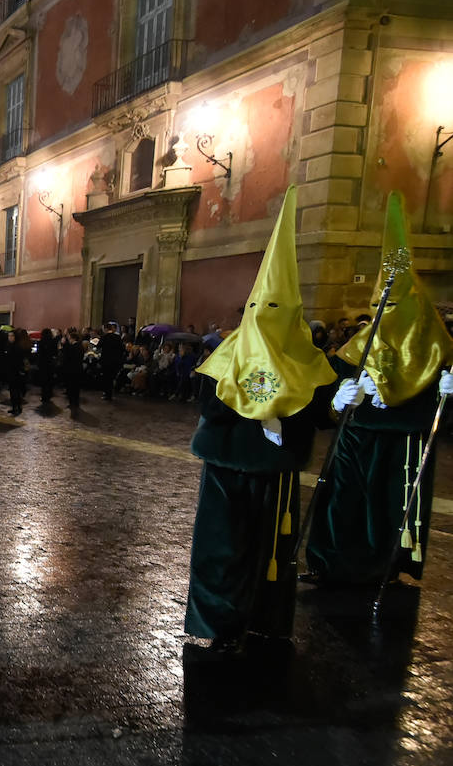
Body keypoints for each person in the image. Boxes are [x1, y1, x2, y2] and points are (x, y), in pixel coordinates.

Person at [185, 186, 336, 655]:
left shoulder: (307, 357)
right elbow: (210, 407)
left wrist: (334, 403)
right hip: (228, 467)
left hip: (277, 472)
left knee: (273, 550)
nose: (264, 319)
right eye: (258, 309)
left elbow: (318, 409)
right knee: (222, 547)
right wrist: (257, 412)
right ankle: (216, 620)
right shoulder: (226, 354)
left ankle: (266, 621)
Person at [306, 192, 453, 587]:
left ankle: (385, 567)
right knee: (343, 500)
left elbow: (445, 417)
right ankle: (330, 561)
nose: (380, 314)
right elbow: (326, 394)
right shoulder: (359, 345)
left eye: (390, 305)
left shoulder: (437, 349)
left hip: (404, 441)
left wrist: (447, 393)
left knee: (390, 507)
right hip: (358, 437)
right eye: (377, 305)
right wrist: (338, 397)